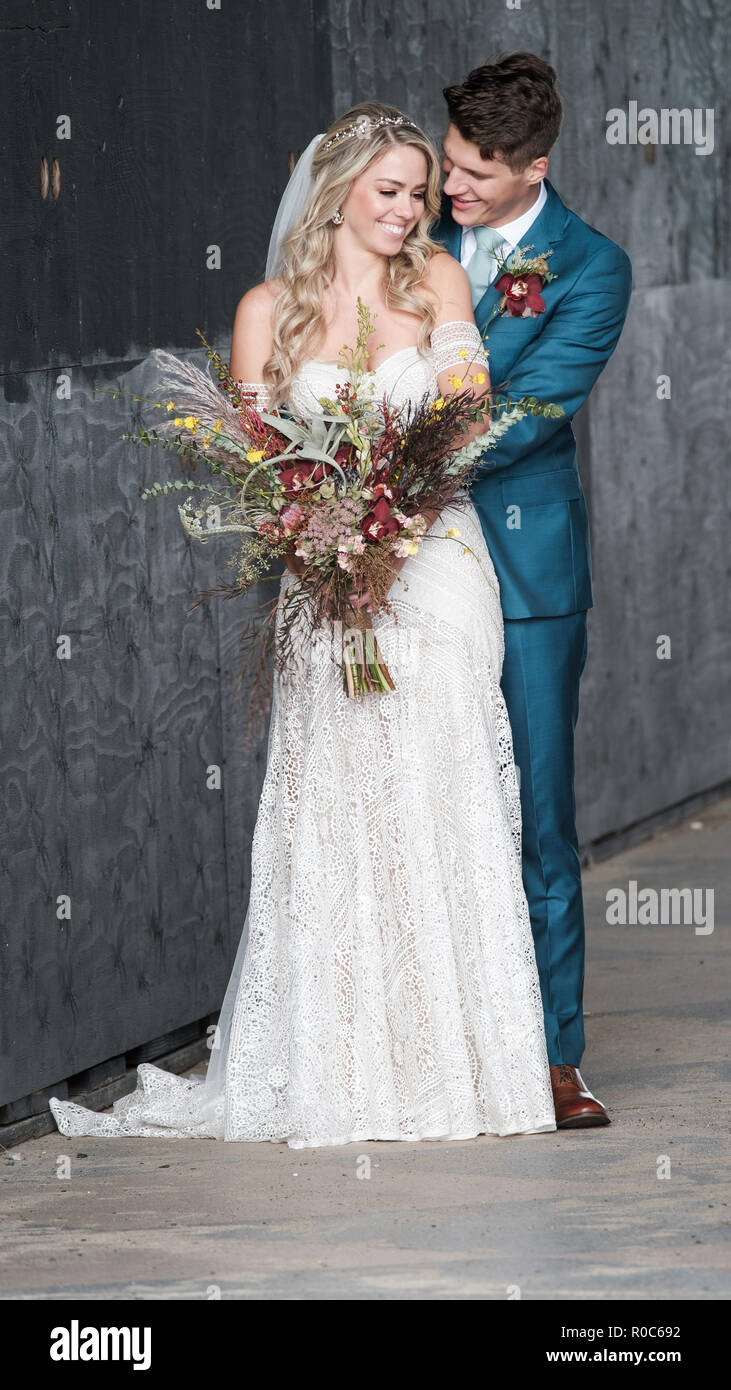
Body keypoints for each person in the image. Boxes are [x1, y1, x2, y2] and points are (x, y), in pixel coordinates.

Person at [49, 102, 557, 1149]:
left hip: (437, 567)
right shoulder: (265, 309)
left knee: (438, 785)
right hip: (324, 580)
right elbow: (254, 469)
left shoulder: (441, 285)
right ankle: (344, 1065)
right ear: (334, 195)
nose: (409, 209)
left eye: (419, 193)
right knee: (335, 794)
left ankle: (460, 1066)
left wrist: (392, 521)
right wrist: (324, 538)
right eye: (390, 190)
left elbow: (462, 424)